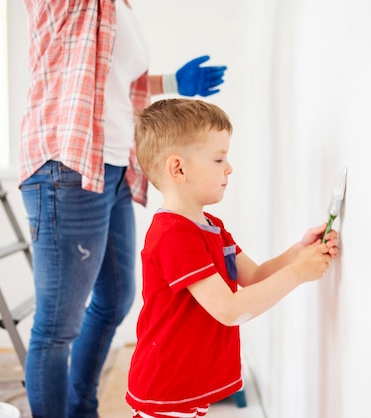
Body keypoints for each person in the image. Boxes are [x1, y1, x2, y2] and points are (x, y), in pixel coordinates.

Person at [18, 1, 227, 417]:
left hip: (113, 167)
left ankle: (81, 409)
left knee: (116, 299)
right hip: (68, 167)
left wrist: (171, 80)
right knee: (58, 326)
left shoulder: (120, 7)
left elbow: (112, 80)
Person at [126, 98, 340, 418]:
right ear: (178, 168)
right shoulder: (173, 235)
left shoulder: (213, 228)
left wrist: (298, 252)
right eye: (218, 158)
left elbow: (253, 277)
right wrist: (298, 272)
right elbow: (229, 309)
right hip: (168, 386)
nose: (229, 167)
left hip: (190, 383)